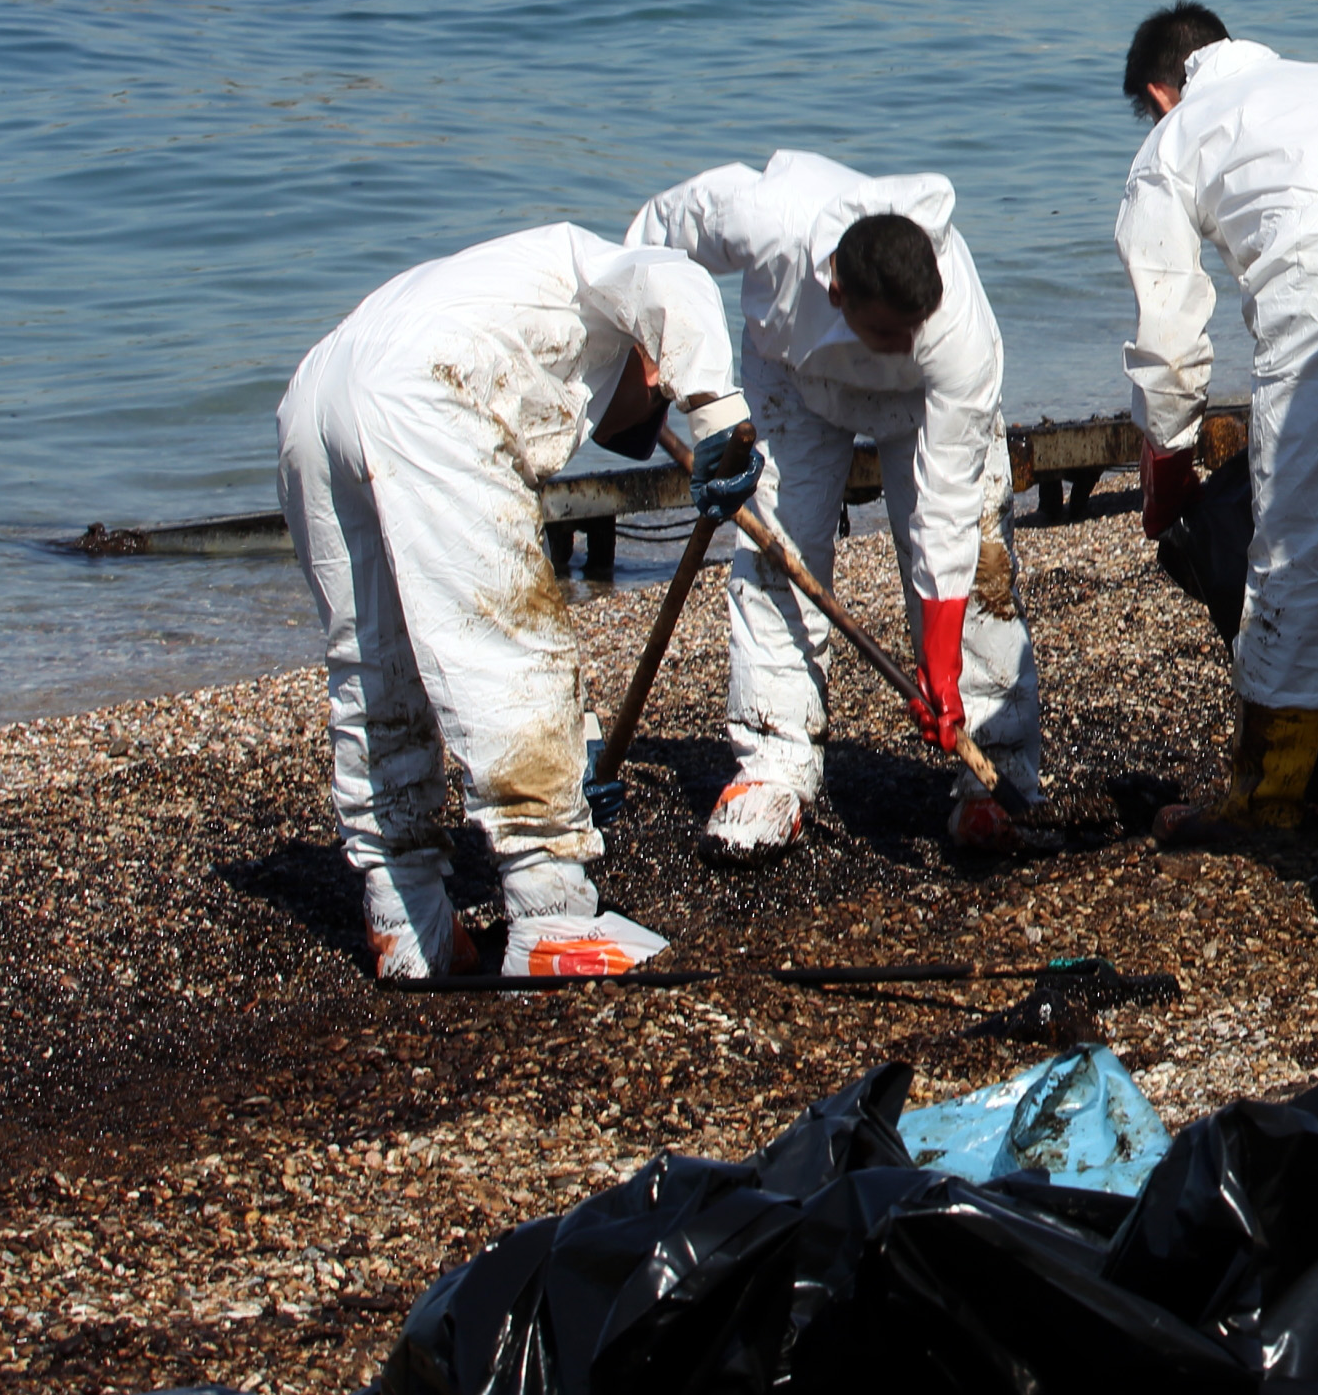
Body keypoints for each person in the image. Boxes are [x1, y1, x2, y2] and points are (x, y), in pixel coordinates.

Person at [279, 226, 758, 981]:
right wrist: (717, 417)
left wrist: (575, 750)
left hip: (315, 397)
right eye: (656, 392)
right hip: (428, 385)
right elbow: (675, 274)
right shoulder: (594, 270)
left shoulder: (514, 293)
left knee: (375, 663)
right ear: (649, 354)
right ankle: (552, 914)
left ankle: (404, 917)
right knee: (511, 651)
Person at [626, 152, 1030, 859]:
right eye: (891, 335)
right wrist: (640, 337)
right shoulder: (766, 216)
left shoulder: (958, 336)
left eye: (915, 328)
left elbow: (946, 509)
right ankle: (773, 762)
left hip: (922, 403)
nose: (906, 343)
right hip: (791, 376)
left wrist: (938, 664)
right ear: (837, 290)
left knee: (980, 557)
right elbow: (659, 238)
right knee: (778, 552)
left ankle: (994, 765)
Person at [1114, 2, 1318, 842]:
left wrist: (1167, 457)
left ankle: (1266, 797)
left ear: (1159, 94)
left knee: (1301, 551)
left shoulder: (1175, 138)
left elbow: (1167, 330)